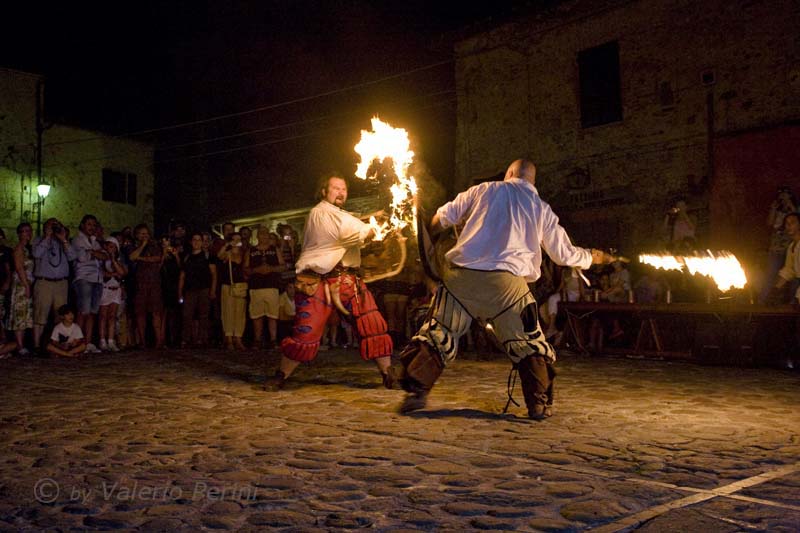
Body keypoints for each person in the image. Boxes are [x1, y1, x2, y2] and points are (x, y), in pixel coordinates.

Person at [388, 159, 612, 419]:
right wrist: (591, 257)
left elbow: (440, 219)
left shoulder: (482, 190)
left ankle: (416, 392)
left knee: (439, 333)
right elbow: (564, 255)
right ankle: (538, 404)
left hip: (462, 279)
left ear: (509, 173)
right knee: (528, 343)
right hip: (508, 286)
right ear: (532, 181)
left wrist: (429, 236)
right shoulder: (541, 208)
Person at [264, 173, 393, 390]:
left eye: (343, 189)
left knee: (372, 324)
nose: (341, 192)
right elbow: (347, 233)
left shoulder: (344, 216)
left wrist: (381, 226)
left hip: (348, 280)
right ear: (324, 191)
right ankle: (281, 375)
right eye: (335, 188)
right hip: (318, 281)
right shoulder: (319, 214)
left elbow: (355, 236)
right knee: (306, 332)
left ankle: (389, 373)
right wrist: (375, 227)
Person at [31, 218, 77, 353]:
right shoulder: (38, 240)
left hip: (61, 283)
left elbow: (72, 256)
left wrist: (63, 239)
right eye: (51, 226)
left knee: (61, 315)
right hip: (44, 282)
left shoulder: (63, 242)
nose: (54, 228)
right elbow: (36, 253)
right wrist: (47, 236)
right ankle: (37, 346)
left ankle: (58, 346)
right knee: (40, 315)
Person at [71, 215, 108, 353]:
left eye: (94, 225)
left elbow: (105, 256)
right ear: (82, 225)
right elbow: (81, 257)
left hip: (97, 278)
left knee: (92, 312)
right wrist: (94, 253)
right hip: (84, 278)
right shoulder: (77, 240)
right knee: (83, 311)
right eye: (89, 224)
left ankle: (88, 342)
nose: (92, 227)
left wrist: (92, 252)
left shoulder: (95, 241)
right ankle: (79, 343)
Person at [245, 227, 285, 349]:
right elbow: (245, 268)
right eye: (261, 234)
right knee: (257, 315)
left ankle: (273, 339)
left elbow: (283, 266)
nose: (264, 237)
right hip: (256, 287)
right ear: (257, 236)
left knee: (272, 314)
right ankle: (257, 339)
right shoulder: (250, 251)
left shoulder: (275, 250)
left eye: (266, 234)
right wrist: (256, 270)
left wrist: (271, 269)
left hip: (271, 286)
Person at [129, 224, 165, 348]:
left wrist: (141, 258)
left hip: (154, 283)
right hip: (140, 284)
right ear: (137, 235)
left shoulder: (154, 246)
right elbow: (131, 257)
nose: (145, 236)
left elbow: (157, 258)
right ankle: (142, 341)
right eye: (142, 233)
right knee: (140, 313)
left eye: (147, 233)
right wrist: (142, 247)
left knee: (156, 312)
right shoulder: (132, 246)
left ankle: (159, 341)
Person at [179, 232, 218, 347]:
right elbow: (182, 276)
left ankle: (202, 338)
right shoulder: (186, 257)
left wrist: (212, 290)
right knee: (187, 315)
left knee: (203, 315)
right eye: (194, 240)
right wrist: (180, 292)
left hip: (204, 289)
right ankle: (186, 338)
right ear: (191, 242)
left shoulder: (208, 256)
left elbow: (214, 274)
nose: (196, 242)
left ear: (202, 242)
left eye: (198, 240)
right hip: (190, 289)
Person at [761, 186, 797, 303]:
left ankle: (792, 305)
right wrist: (773, 208)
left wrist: (790, 204)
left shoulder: (794, 209)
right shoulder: (777, 209)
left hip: (790, 247)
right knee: (771, 275)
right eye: (781, 194)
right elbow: (769, 223)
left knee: (795, 278)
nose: (788, 225)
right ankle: (763, 302)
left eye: (786, 194)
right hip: (777, 249)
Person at [6, 223, 34, 355]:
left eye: (29, 231)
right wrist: (26, 286)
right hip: (21, 285)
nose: (27, 234)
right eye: (24, 231)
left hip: (26, 282)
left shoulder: (26, 249)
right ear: (19, 234)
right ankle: (19, 345)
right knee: (19, 314)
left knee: (24, 314)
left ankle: (21, 343)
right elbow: (19, 268)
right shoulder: (18, 249)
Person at [217, 231, 248, 351]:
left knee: (240, 313)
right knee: (228, 312)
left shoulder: (244, 254)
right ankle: (229, 337)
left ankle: (238, 337)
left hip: (240, 286)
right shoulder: (227, 254)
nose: (237, 242)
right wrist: (226, 245)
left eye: (238, 239)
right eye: (234, 239)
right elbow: (219, 256)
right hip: (228, 285)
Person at [98, 237, 127, 352]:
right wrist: (114, 273)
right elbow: (103, 274)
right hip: (106, 289)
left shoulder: (118, 259)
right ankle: (102, 340)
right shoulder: (103, 259)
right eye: (109, 246)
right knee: (103, 316)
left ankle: (111, 340)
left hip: (116, 289)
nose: (111, 249)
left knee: (112, 316)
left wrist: (114, 260)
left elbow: (122, 273)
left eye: (113, 247)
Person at [772, 212, 800, 303]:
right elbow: (789, 269)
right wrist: (776, 288)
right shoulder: (792, 247)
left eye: (792, 222)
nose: (788, 226)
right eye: (786, 223)